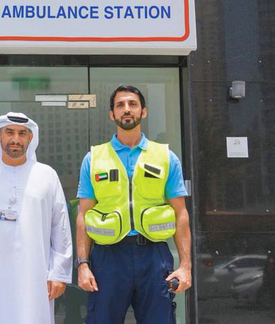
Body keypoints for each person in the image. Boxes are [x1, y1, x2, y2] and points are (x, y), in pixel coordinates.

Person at [76, 85, 191, 324]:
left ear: (143, 112)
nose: (126, 109)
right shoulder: (94, 158)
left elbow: (180, 213)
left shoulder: (166, 157)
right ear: (112, 114)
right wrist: (83, 265)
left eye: (132, 104)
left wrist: (185, 266)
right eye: (120, 105)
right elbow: (83, 215)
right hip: (108, 258)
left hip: (153, 256)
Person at [0, 112, 73, 324]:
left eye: (22, 133)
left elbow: (60, 227)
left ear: (30, 138)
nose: (16, 139)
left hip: (34, 274)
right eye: (10, 132)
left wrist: (59, 273)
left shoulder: (47, 175)